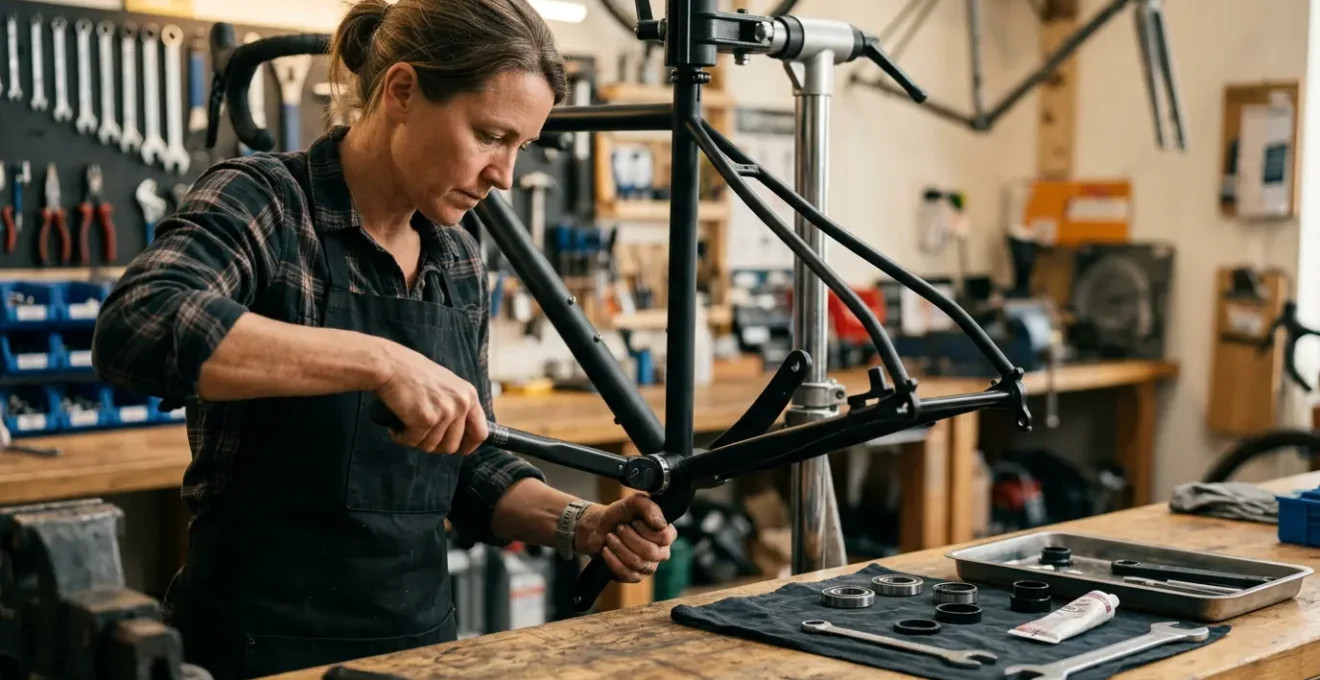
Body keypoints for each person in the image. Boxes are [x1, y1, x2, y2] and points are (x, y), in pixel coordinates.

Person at [90, 1, 676, 677]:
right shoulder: (269, 203)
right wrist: (377, 359)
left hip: (415, 649)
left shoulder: (456, 257)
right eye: (490, 135)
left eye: (521, 147)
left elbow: (469, 459)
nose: (505, 175)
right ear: (402, 91)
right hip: (259, 648)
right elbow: (139, 324)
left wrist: (579, 523)